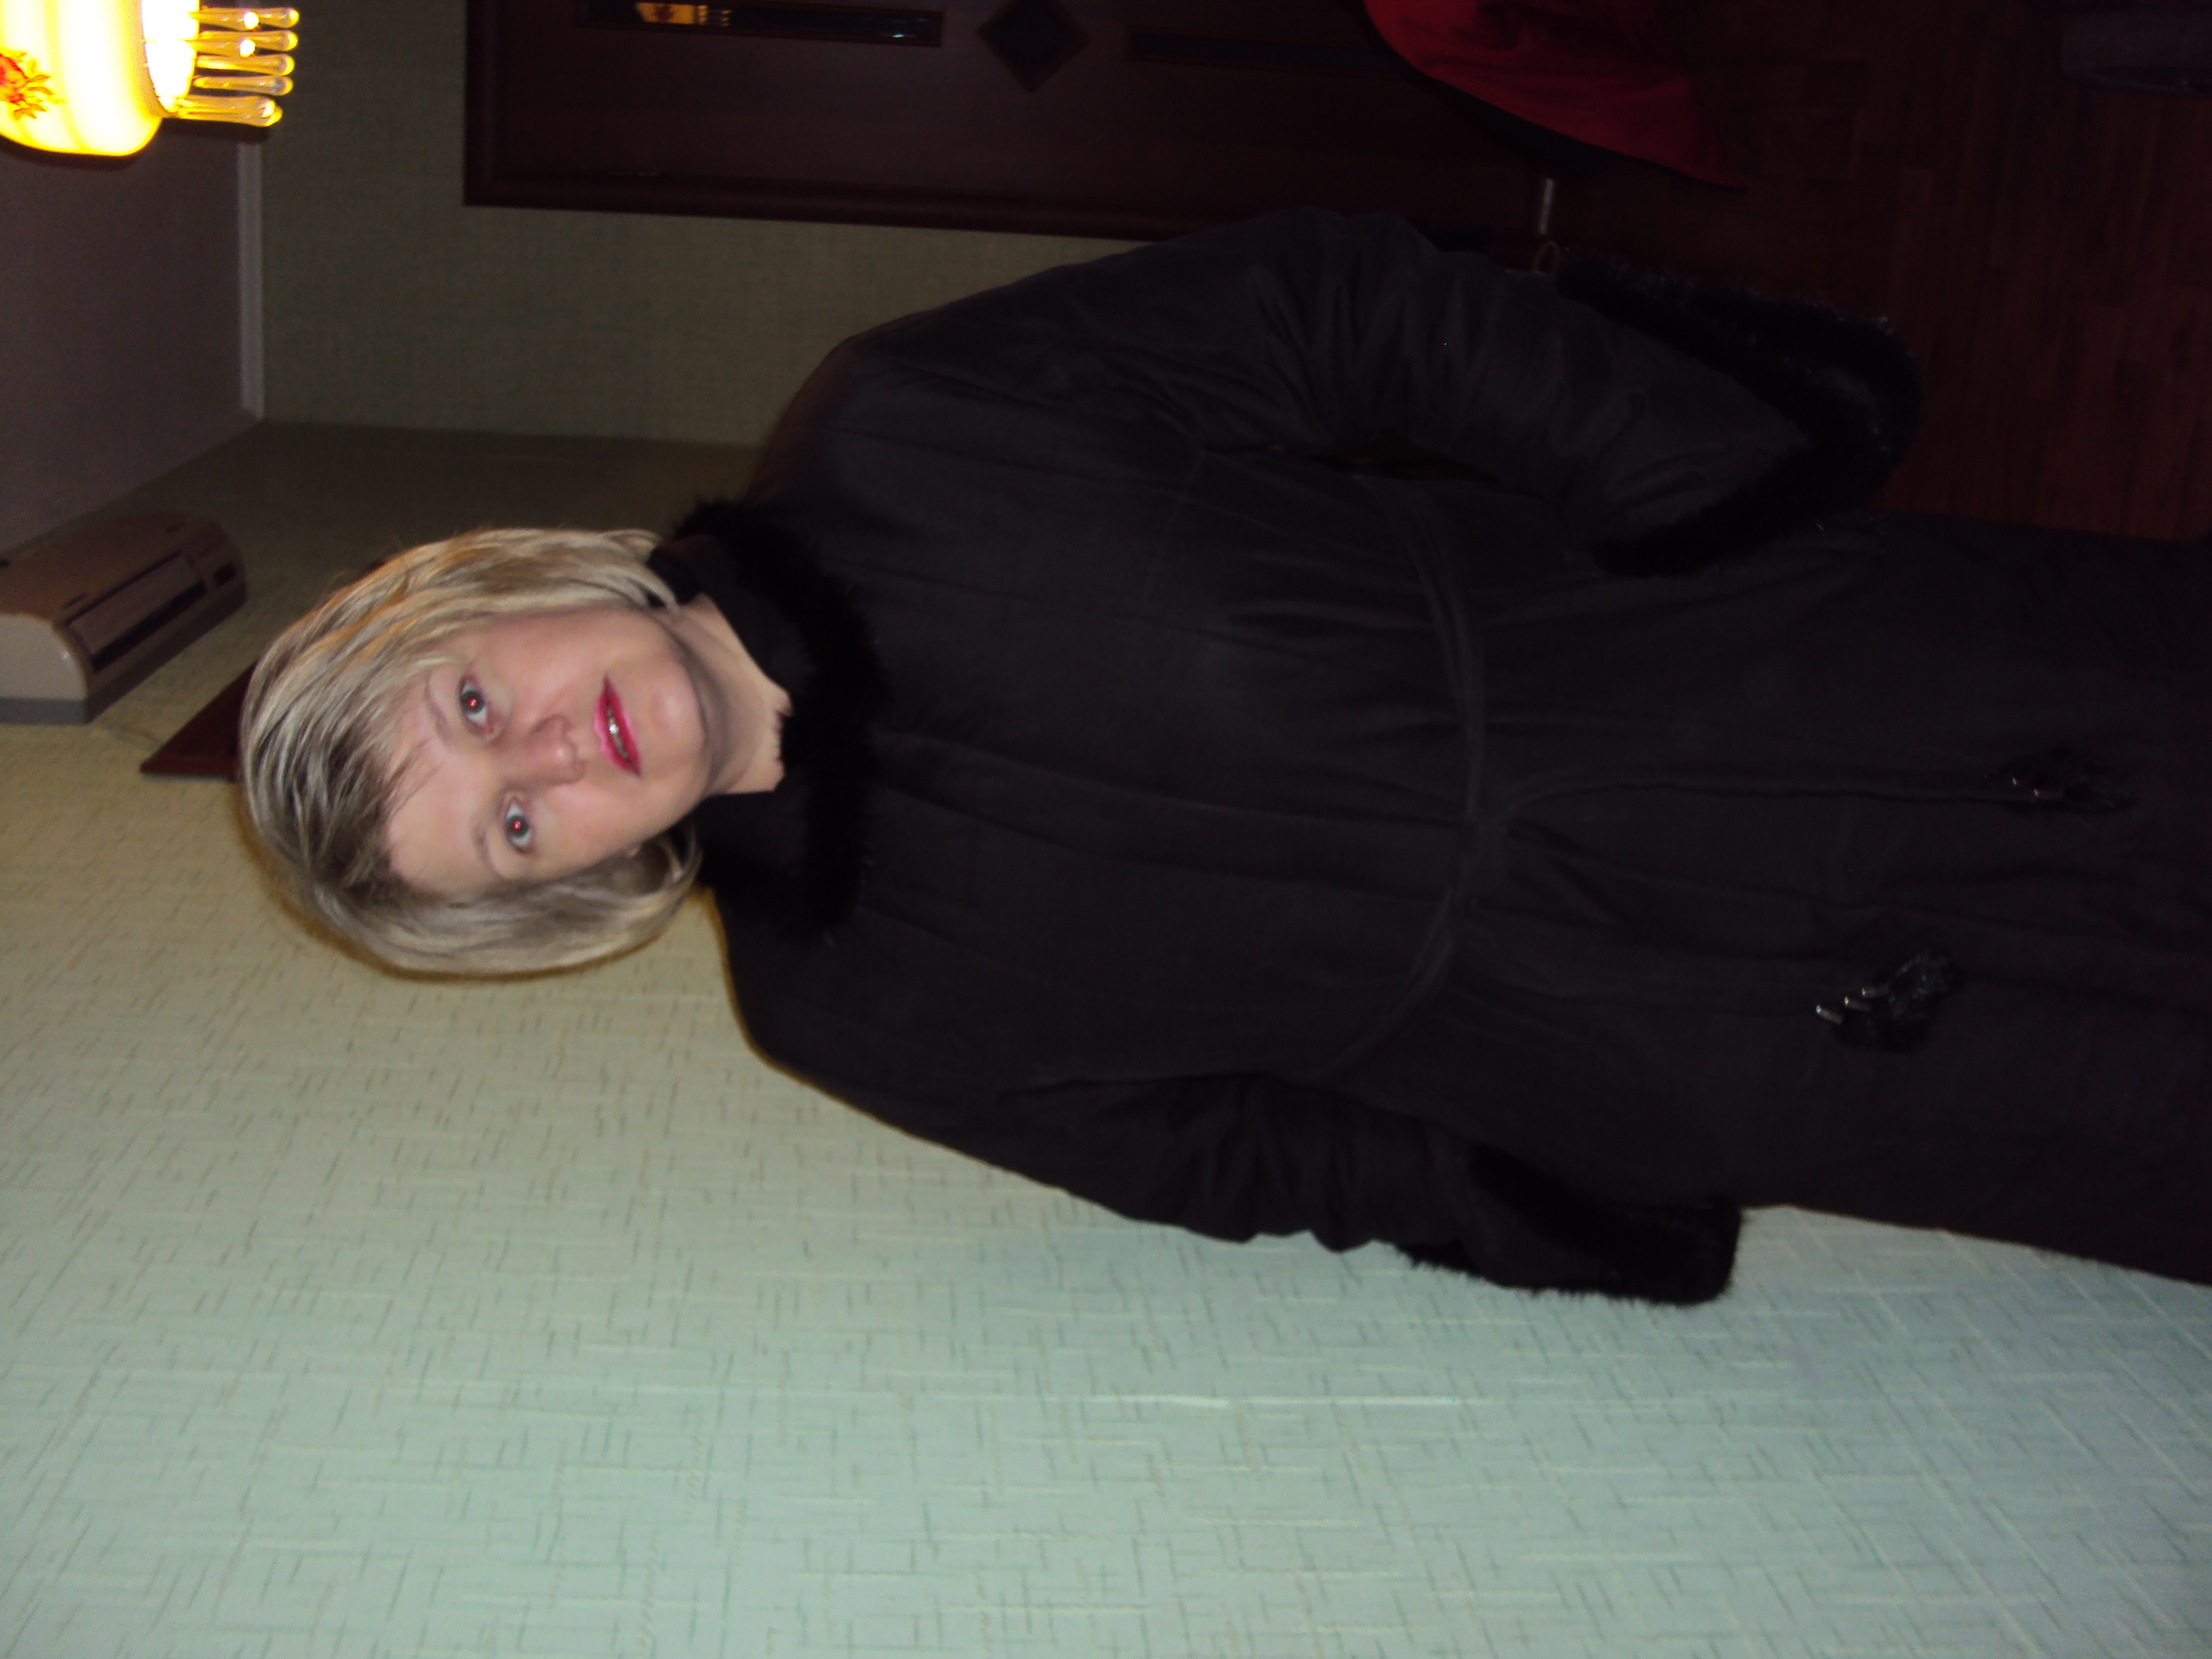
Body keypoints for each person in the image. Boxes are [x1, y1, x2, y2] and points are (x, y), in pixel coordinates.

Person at [243, 209, 2212, 1303]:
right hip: (1786, 1055)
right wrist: (1541, 1185)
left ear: (496, 591)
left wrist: (1701, 478)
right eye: (515, 826)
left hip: (1820, 681)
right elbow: (1223, 1156)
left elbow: (1341, 313)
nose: (551, 759)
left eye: (472, 703)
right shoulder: (844, 1015)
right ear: (569, 888)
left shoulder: (907, 426)